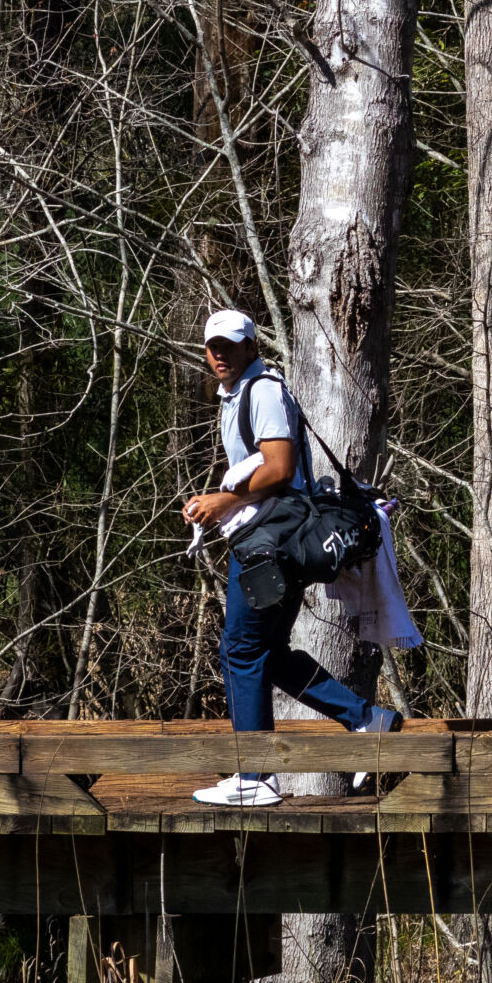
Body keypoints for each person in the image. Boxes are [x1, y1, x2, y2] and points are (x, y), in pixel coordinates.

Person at [181, 309, 401, 807]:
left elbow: (280, 469)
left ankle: (255, 776)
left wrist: (224, 501)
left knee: (241, 650)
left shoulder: (261, 390)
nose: (219, 354)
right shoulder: (240, 393)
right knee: (265, 653)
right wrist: (219, 501)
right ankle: (368, 721)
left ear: (251, 347)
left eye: (229, 345)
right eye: (213, 346)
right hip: (269, 540)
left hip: (271, 544)